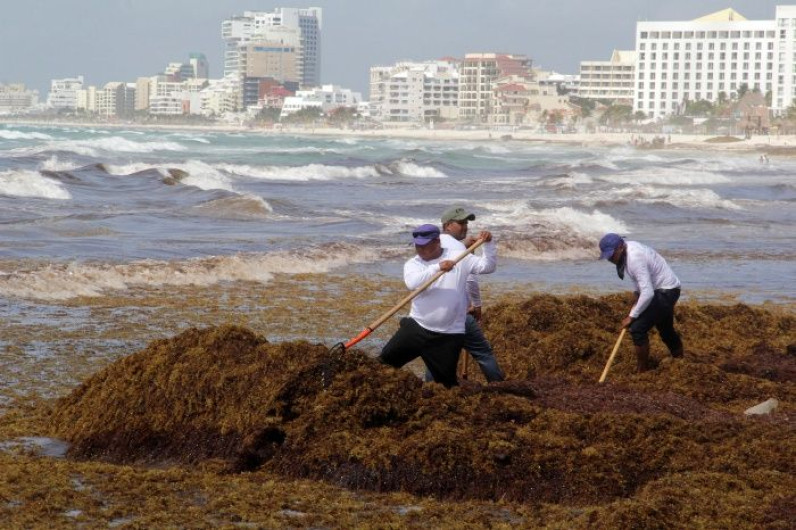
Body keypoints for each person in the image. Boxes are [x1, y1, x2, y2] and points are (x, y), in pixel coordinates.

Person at [378, 223, 497, 387]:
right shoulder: (414, 264)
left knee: (446, 386)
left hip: (449, 335)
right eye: (418, 246)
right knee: (382, 365)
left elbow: (488, 267)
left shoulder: (460, 257)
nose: (420, 250)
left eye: (425, 246)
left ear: (437, 242)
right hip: (417, 328)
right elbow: (412, 284)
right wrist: (437, 267)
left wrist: (489, 244)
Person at [422, 206, 505, 382]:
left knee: (437, 355)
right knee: (483, 353)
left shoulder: (431, 246)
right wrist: (488, 244)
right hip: (457, 314)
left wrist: (464, 246)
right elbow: (479, 273)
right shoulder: (459, 251)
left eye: (466, 223)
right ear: (447, 225)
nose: (465, 226)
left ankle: (429, 390)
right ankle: (499, 388)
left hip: (432, 313)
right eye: (461, 223)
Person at [598, 233, 684, 372]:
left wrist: (632, 316)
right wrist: (636, 298)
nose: (610, 259)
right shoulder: (627, 251)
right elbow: (638, 280)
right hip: (664, 288)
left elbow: (648, 292)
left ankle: (641, 370)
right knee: (665, 328)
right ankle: (680, 360)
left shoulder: (634, 257)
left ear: (620, 247)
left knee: (637, 328)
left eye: (611, 255)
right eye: (607, 256)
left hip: (666, 291)